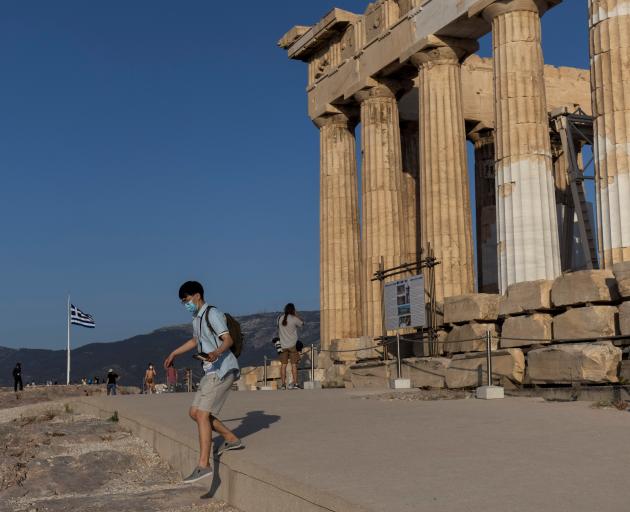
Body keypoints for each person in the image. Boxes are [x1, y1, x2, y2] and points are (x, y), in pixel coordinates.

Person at [164, 281, 243, 484]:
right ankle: (231, 439)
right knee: (194, 413)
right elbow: (195, 341)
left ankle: (203, 465)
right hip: (210, 372)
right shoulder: (196, 318)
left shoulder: (212, 314)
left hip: (222, 370)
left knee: (202, 414)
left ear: (197, 295)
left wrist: (215, 353)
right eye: (183, 302)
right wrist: (174, 352)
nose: (185, 304)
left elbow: (228, 340)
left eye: (187, 300)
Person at [277, 303, 304, 390]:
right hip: (292, 345)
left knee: (283, 365)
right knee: (294, 365)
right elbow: (302, 324)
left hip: (283, 345)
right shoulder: (294, 319)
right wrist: (296, 315)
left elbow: (278, 326)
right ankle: (295, 383)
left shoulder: (279, 318)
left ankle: (283, 385)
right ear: (293, 310)